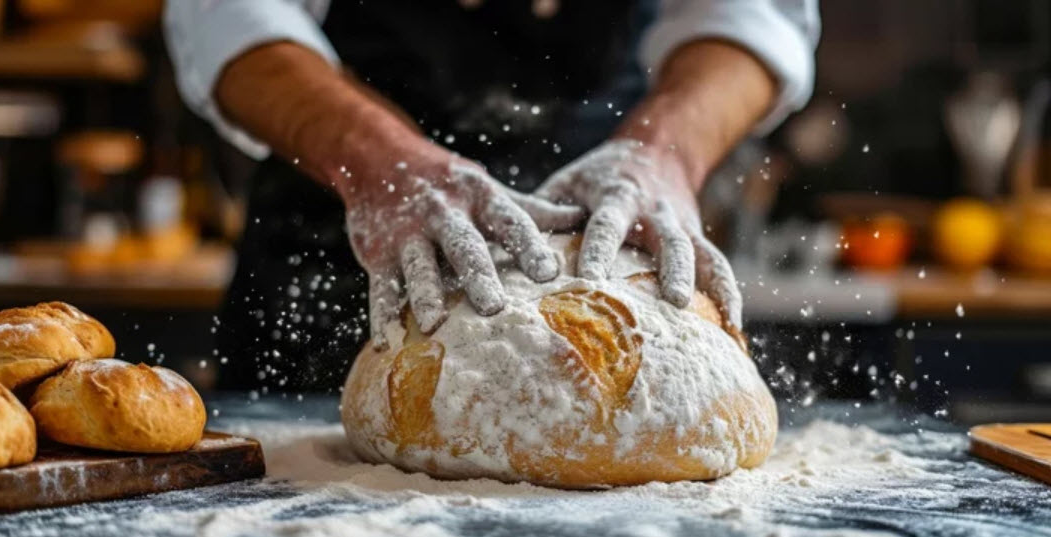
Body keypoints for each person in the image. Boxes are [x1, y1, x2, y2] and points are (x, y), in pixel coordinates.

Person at [164, 0, 819, 391]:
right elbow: (228, 12)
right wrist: (375, 158)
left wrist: (663, 154)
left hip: (615, 244)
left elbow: (755, 13)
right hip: (340, 267)